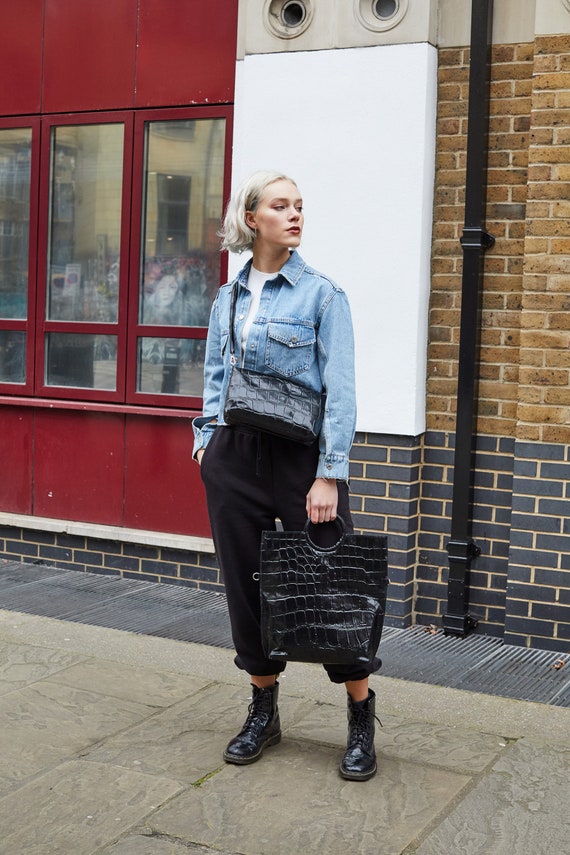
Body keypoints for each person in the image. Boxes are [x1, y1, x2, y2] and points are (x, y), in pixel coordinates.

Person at [192, 170, 380, 781]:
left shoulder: (324, 296)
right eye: (281, 205)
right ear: (253, 218)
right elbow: (217, 378)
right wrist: (206, 443)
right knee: (245, 586)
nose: (295, 214)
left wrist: (330, 474)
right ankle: (263, 710)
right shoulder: (229, 297)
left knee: (332, 584)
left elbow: (342, 393)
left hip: (302, 463)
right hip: (234, 459)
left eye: (300, 205)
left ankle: (360, 717)